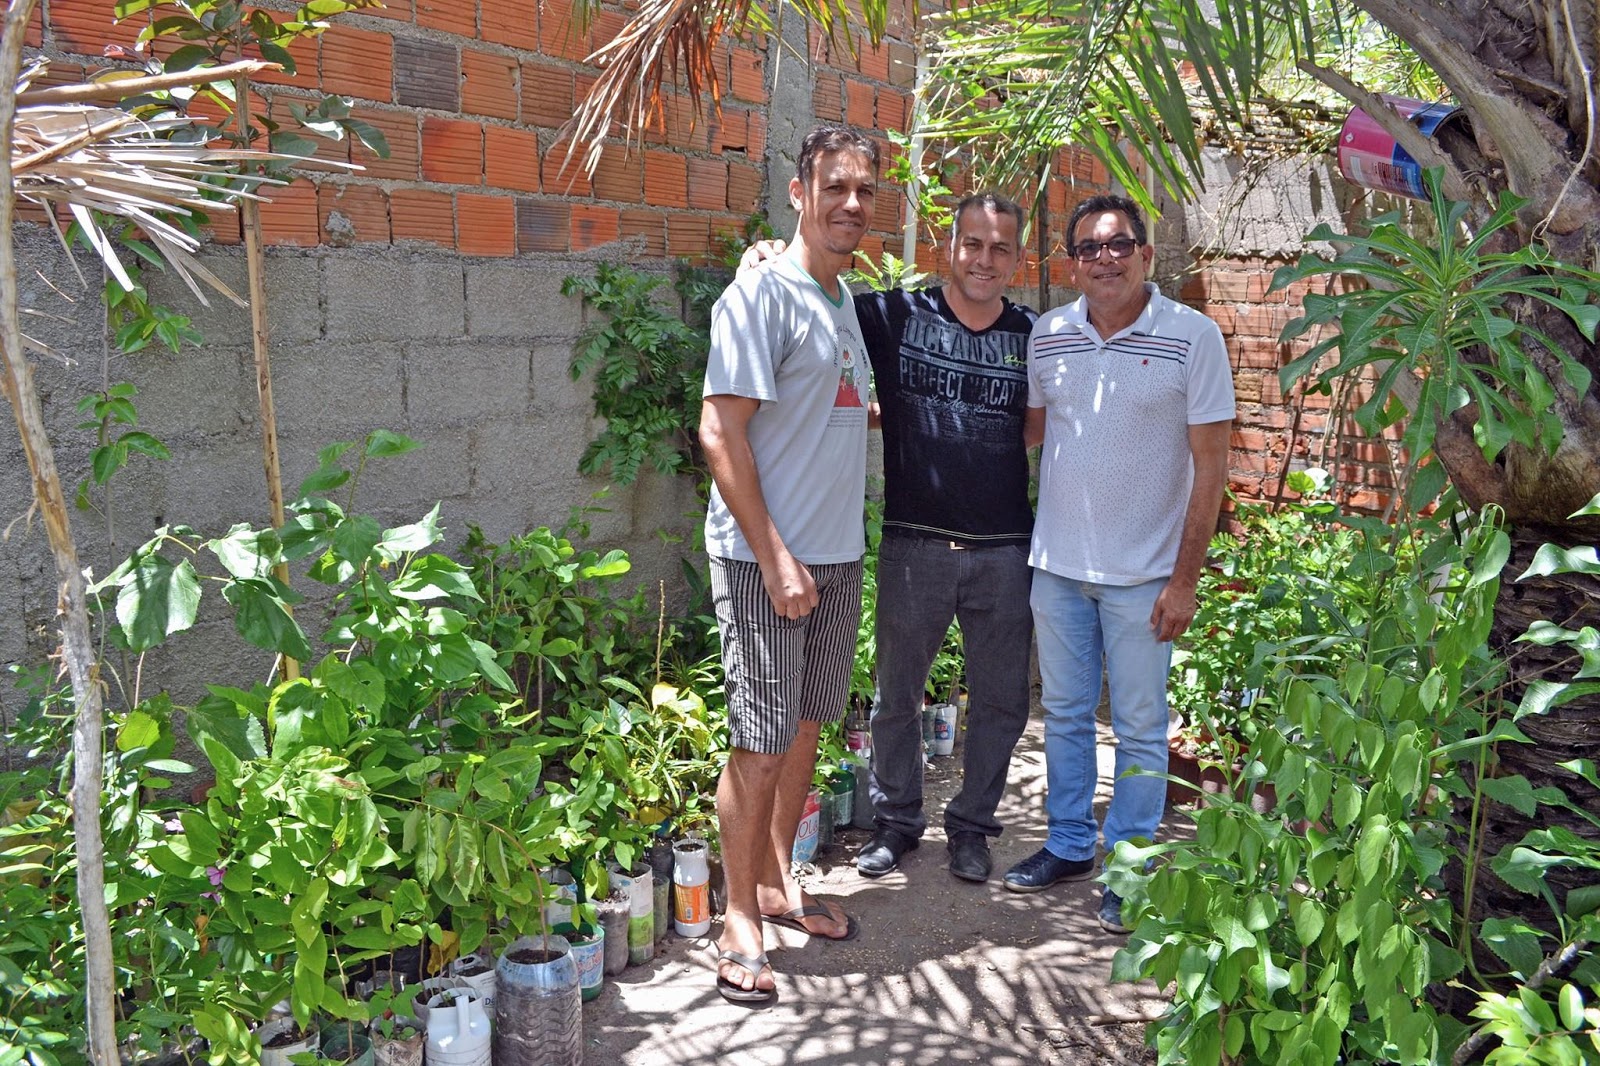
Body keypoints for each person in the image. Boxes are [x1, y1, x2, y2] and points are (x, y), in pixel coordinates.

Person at [741, 193, 1038, 885]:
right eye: (972, 244)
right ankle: (897, 823)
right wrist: (767, 258)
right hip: (915, 545)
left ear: (1018, 259)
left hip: (1003, 549)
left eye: (1000, 248)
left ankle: (972, 828)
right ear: (949, 247)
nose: (984, 259)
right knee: (896, 697)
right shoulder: (894, 315)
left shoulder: (1034, 333)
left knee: (1001, 701)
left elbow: (1037, 424)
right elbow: (819, 295)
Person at [1004, 194, 1234, 936]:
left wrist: (1185, 580)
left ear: (1146, 254)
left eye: (1118, 244)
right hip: (1059, 569)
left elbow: (1212, 469)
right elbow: (1030, 433)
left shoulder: (1193, 337)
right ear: (1071, 263)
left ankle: (1129, 868)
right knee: (1065, 716)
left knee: (1139, 727)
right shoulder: (1048, 336)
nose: (1104, 259)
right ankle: (1070, 844)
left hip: (1145, 578)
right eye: (1088, 248)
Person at [699, 125, 878, 1005]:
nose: (852, 203)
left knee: (808, 726)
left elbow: (837, 408)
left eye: (865, 190)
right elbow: (718, 431)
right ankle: (738, 916)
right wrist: (774, 557)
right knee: (761, 740)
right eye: (834, 186)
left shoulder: (842, 300)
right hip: (767, 560)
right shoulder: (760, 294)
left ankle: (775, 882)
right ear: (800, 192)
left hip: (836, 556)